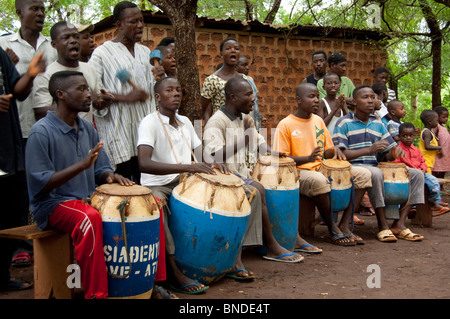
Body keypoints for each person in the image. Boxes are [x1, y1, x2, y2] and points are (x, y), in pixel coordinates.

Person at [25, 70, 135, 299]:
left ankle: (141, 285)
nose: (89, 95)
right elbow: (41, 184)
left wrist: (109, 177)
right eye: (82, 89)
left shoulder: (87, 128)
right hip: (51, 205)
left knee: (139, 204)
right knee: (89, 218)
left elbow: (100, 168)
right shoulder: (41, 132)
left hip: (84, 200)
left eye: (88, 89)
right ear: (61, 94)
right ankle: (97, 294)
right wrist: (81, 165)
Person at [138, 76, 231, 294]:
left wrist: (216, 164)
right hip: (158, 184)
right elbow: (144, 163)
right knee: (159, 208)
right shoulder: (149, 122)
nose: (176, 94)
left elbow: (201, 155)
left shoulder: (185, 122)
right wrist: (188, 168)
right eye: (170, 90)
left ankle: (226, 261)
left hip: (184, 181)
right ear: (158, 97)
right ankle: (174, 273)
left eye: (178, 90)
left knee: (225, 195)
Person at [203, 76, 310, 259]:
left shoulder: (245, 119)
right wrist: (241, 141)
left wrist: (275, 154)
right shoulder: (217, 121)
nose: (253, 98)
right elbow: (212, 157)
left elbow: (259, 144)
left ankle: (280, 239)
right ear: (233, 97)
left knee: (272, 185)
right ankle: (271, 246)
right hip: (224, 178)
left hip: (242, 175)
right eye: (248, 94)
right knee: (258, 189)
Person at [274, 82, 372, 245]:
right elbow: (281, 159)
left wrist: (334, 150)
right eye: (311, 97)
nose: (316, 100)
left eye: (317, 97)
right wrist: (306, 159)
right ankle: (332, 228)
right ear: (299, 100)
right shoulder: (286, 124)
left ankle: (344, 226)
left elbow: (327, 150)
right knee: (319, 181)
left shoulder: (318, 121)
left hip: (320, 167)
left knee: (363, 175)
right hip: (298, 172)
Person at [333, 85, 425, 242]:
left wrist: (393, 153)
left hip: (374, 166)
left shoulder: (378, 123)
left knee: (417, 174)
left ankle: (399, 223)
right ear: (354, 101)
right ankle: (383, 225)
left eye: (372, 97)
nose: (370, 101)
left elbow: (387, 152)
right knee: (373, 173)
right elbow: (343, 154)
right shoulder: (343, 123)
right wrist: (369, 149)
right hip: (352, 167)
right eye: (365, 97)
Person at [88, 1, 165, 184]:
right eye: (133, 22)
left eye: (141, 21)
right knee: (121, 190)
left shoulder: (144, 52)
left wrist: (157, 80)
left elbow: (149, 91)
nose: (140, 26)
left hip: (143, 136)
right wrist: (124, 98)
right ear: (119, 25)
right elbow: (94, 97)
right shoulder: (102, 54)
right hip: (118, 134)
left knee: (145, 187)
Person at [0, 47, 46, 291]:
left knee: (11, 216)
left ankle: (2, 276)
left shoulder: (0, 54)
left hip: (8, 151)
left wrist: (30, 74)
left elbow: (17, 92)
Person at [32, 21, 113, 123]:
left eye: (76, 37)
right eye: (66, 38)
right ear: (54, 44)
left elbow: (95, 102)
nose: (73, 41)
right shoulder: (46, 75)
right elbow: (40, 112)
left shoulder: (89, 69)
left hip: (85, 135)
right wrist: (75, 103)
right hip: (60, 135)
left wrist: (102, 101)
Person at [0, 0, 57, 139]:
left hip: (53, 128)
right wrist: (8, 67)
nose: (41, 14)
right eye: (35, 9)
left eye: (43, 10)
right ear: (20, 13)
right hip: (18, 129)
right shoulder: (3, 45)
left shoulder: (54, 46)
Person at [393, 122, 449, 216]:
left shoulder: (416, 150)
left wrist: (423, 170)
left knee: (433, 182)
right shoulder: (398, 150)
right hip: (406, 176)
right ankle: (411, 208)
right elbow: (396, 164)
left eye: (411, 135)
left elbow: (423, 161)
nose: (408, 138)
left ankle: (435, 203)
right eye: (404, 136)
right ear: (399, 136)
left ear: (415, 136)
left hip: (421, 174)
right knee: (407, 190)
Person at [201, 37, 248, 123]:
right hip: (219, 127)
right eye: (228, 48)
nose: (233, 51)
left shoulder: (243, 79)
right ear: (221, 53)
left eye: (236, 49)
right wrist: (209, 129)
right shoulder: (212, 80)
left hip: (240, 127)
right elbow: (204, 109)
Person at [236, 55, 261, 132]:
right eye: (243, 65)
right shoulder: (234, 82)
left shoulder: (250, 80)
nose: (247, 68)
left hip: (253, 119)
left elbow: (255, 100)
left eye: (247, 65)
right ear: (236, 67)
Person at [419, 109, 442, 175]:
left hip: (429, 162)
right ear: (430, 121)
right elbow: (427, 146)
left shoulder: (430, 132)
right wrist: (439, 148)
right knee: (428, 182)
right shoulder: (426, 133)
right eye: (437, 120)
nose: (437, 122)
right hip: (426, 162)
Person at [432, 106, 450, 179]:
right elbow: (433, 137)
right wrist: (439, 147)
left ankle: (441, 187)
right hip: (439, 153)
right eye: (444, 117)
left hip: (445, 154)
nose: (446, 118)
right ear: (437, 117)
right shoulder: (436, 126)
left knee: (443, 171)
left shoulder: (443, 128)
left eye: (447, 117)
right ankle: (434, 187)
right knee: (435, 171)